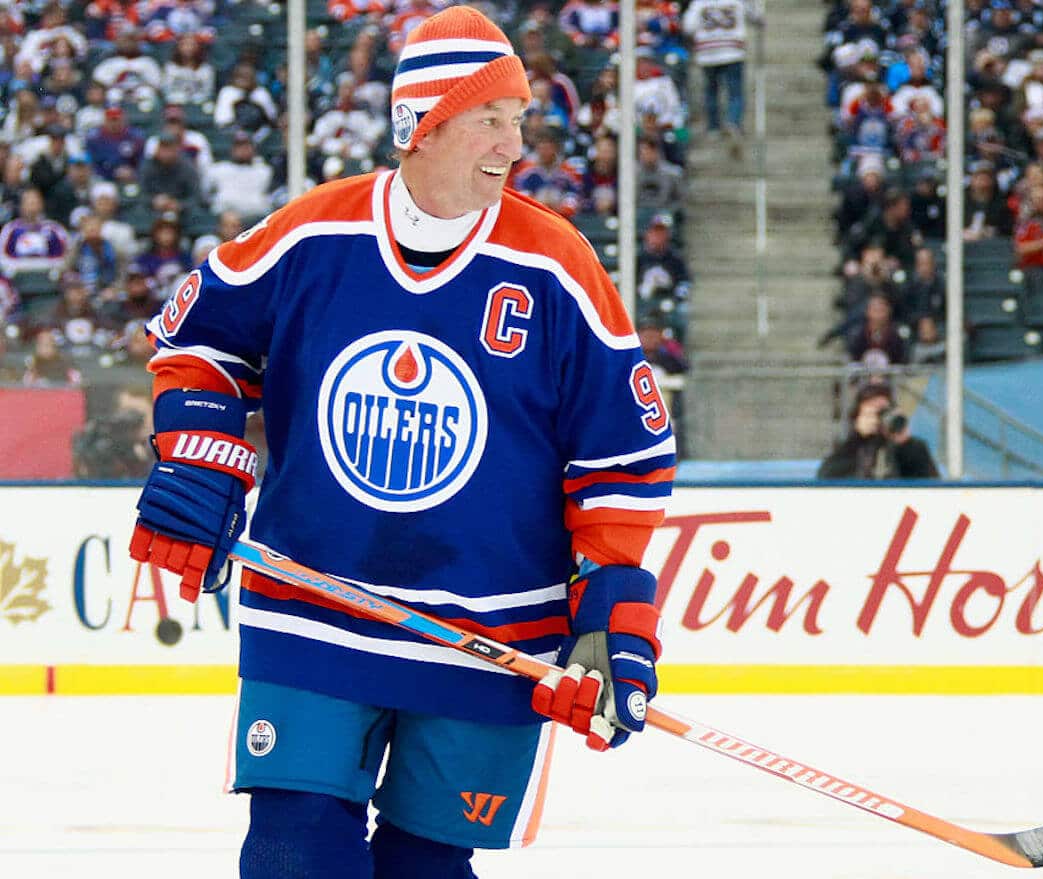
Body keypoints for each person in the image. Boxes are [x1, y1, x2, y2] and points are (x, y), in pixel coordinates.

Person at [128, 8, 673, 879]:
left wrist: (612, 603)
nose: (514, 143)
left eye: (520, 120)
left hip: (490, 632)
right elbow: (197, 340)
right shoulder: (314, 234)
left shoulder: (558, 266)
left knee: (427, 868)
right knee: (292, 856)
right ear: (423, 124)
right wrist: (201, 453)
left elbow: (623, 457)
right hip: (313, 606)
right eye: (490, 119)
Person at [682, 0, 759, 158]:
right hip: (733, 50)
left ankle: (713, 127)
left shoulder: (699, 3)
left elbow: (688, 26)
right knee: (735, 92)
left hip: (707, 51)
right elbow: (754, 14)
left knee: (711, 90)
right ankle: (733, 121)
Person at [817, 383, 938, 479]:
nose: (880, 418)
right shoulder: (850, 446)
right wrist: (857, 438)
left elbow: (928, 482)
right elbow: (826, 476)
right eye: (874, 413)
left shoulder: (911, 447)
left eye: (884, 411)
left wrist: (906, 444)